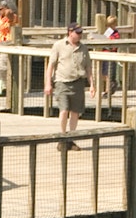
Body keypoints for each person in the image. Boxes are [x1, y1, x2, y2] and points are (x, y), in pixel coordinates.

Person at [45, 23, 92, 151]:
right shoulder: (59, 45)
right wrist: (48, 83)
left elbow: (88, 67)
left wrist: (92, 85)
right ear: (70, 32)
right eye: (77, 32)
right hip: (62, 82)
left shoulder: (83, 48)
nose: (80, 35)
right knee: (64, 110)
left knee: (75, 112)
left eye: (81, 32)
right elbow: (51, 66)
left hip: (78, 82)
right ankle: (62, 137)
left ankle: (71, 138)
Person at [0, 0, 17, 108]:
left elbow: (11, 17)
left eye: (1, 9)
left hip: (6, 44)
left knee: (3, 67)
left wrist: (8, 11)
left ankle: (5, 88)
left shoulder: (12, 17)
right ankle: (0, 87)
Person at [99, 15, 121, 98]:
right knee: (103, 74)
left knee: (108, 74)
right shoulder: (108, 32)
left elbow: (115, 45)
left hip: (111, 56)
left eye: (111, 25)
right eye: (108, 25)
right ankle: (112, 84)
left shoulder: (116, 34)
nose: (109, 27)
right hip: (104, 54)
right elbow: (104, 38)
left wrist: (109, 41)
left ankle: (107, 91)